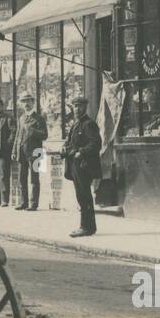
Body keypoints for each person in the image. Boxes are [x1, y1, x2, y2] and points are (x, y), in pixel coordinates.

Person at [65, 95, 103, 238]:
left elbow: (96, 144)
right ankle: (87, 226)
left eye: (79, 106)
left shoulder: (89, 124)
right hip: (75, 166)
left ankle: (86, 227)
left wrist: (81, 152)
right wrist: (65, 148)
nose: (76, 109)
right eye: (74, 106)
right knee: (81, 197)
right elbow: (70, 143)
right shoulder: (75, 124)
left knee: (84, 197)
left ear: (85, 107)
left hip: (84, 166)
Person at [12, 91, 47, 211]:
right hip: (22, 151)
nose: (26, 104)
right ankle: (23, 202)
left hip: (36, 152)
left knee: (34, 179)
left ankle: (33, 204)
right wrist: (14, 150)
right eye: (24, 101)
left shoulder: (39, 118)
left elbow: (44, 135)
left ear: (33, 102)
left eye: (28, 101)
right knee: (22, 178)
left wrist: (32, 130)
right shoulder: (21, 118)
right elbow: (18, 135)